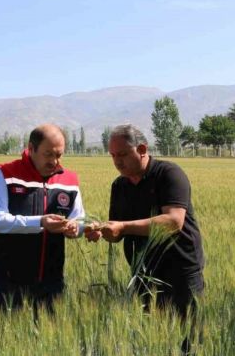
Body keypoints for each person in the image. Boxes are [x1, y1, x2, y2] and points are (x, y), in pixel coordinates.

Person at [85, 124, 204, 352]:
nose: (117, 162)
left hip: (181, 272)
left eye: (122, 155)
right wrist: (102, 231)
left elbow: (173, 222)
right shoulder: (119, 186)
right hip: (143, 274)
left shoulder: (169, 174)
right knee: (153, 341)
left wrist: (123, 227)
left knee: (189, 341)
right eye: (112, 156)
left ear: (141, 149)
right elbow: (118, 233)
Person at [0, 124, 84, 311]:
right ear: (31, 148)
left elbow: (79, 218)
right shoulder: (4, 174)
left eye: (59, 155)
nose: (55, 161)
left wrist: (75, 228)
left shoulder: (69, 180)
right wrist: (40, 222)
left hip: (53, 284)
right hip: (9, 282)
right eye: (48, 154)